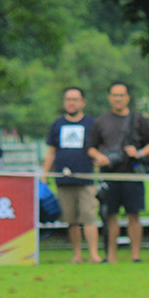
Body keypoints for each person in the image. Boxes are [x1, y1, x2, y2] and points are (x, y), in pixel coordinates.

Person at [86, 82, 149, 263]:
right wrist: (100, 157)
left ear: (127, 98)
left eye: (121, 95)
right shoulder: (101, 121)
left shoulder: (138, 119)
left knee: (133, 214)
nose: (118, 99)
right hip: (110, 175)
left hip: (132, 174)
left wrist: (139, 153)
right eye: (115, 95)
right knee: (110, 215)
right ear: (109, 97)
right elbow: (91, 147)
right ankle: (111, 256)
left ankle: (136, 256)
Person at [43, 87, 102, 263]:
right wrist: (45, 175)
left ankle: (94, 254)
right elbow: (52, 152)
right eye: (68, 99)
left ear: (82, 102)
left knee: (89, 217)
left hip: (86, 180)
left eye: (75, 99)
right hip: (63, 181)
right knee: (71, 220)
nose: (71, 103)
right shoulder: (57, 124)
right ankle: (77, 255)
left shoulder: (92, 124)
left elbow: (98, 148)